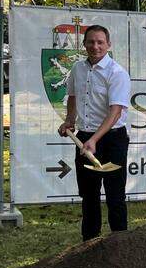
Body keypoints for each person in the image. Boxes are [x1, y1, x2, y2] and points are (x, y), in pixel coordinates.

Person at [56, 24, 131, 241]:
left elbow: (115, 112)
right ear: (84, 44)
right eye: (90, 42)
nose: (95, 46)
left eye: (100, 42)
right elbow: (72, 96)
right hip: (84, 138)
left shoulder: (117, 73)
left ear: (108, 45)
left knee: (115, 195)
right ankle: (89, 244)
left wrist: (95, 140)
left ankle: (120, 244)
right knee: (89, 195)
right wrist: (70, 120)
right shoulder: (78, 69)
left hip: (111, 140)